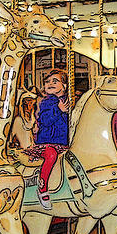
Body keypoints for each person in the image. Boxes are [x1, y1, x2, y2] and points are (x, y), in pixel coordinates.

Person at [30, 70, 69, 209]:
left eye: (55, 81)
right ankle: (42, 188)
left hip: (64, 142)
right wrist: (59, 110)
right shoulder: (46, 102)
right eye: (48, 81)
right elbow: (45, 121)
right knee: (51, 155)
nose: (50, 84)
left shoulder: (68, 101)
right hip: (47, 142)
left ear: (64, 85)